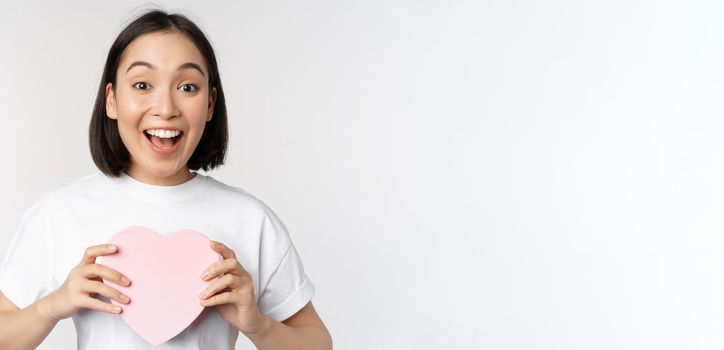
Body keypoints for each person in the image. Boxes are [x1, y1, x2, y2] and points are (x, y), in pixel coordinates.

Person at [0, 9, 332, 350]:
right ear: (112, 100)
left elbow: (317, 342)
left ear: (210, 104)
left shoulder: (251, 220)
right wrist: (52, 307)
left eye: (187, 87)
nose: (166, 107)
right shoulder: (59, 213)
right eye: (142, 85)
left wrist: (258, 326)